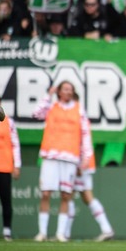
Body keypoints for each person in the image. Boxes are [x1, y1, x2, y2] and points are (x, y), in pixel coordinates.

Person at [32, 82, 93, 242]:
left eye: (70, 90)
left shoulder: (79, 109)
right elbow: (36, 114)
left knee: (66, 195)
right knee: (46, 193)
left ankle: (60, 233)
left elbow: (85, 133)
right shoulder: (51, 107)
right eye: (65, 89)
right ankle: (42, 233)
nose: (68, 92)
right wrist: (48, 95)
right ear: (59, 91)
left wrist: (86, 156)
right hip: (50, 155)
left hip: (70, 157)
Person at [65, 116, 115, 242]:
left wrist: (81, 163)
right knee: (84, 196)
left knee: (70, 195)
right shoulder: (79, 119)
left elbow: (82, 143)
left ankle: (65, 233)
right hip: (83, 163)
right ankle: (106, 229)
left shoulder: (78, 120)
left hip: (81, 163)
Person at [0, 94, 20, 241]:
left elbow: (15, 144)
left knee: (5, 200)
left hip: (3, 165)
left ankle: (7, 231)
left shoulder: (8, 121)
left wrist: (17, 165)